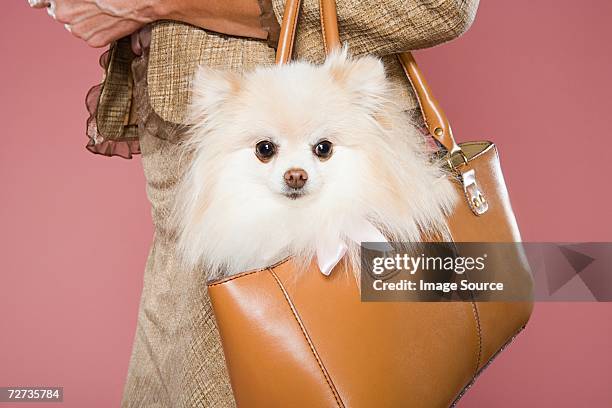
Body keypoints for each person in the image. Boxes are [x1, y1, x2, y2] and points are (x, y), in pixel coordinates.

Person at [29, 0, 479, 406]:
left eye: (318, 152)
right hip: (192, 151)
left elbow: (441, 6)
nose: (296, 170)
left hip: (343, 188)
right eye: (269, 151)